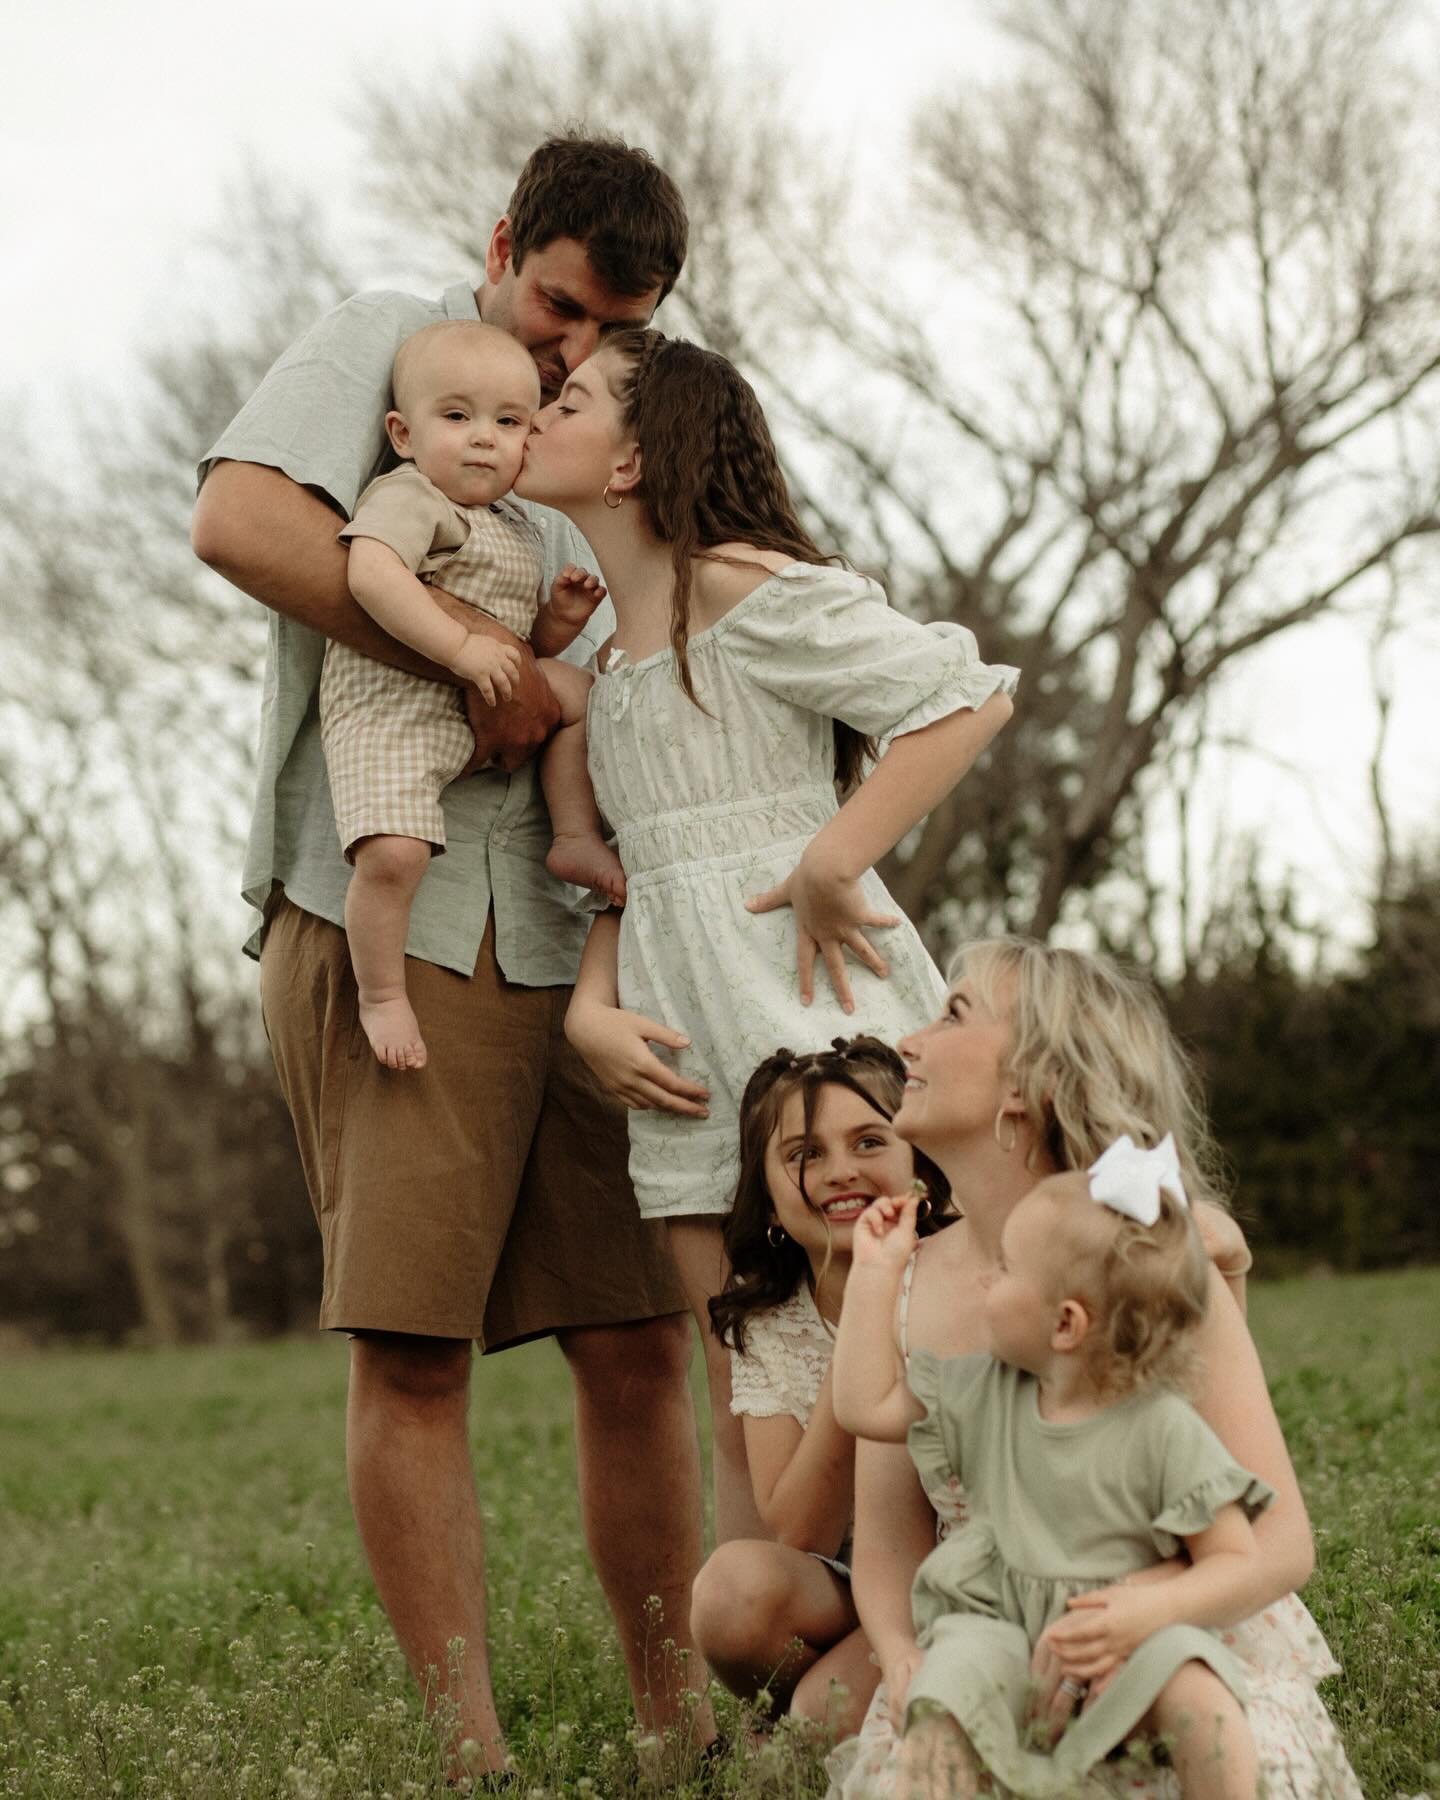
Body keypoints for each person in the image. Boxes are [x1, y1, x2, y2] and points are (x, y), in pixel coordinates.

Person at [190, 135, 714, 1778]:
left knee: (639, 1338)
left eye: (611, 327)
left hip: (587, 924)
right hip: (390, 907)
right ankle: (470, 1759)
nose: (570, 351)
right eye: (556, 306)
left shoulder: (628, 401)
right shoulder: (389, 340)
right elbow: (240, 523)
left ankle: (680, 1731)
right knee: (414, 1350)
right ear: (501, 246)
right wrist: (477, 659)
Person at [511, 329, 1019, 1540]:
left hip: (812, 1005)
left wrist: (836, 855)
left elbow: (967, 696)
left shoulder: (740, 588)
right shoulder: (608, 660)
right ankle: (771, 1622)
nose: (537, 413)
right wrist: (588, 1009)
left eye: (568, 401)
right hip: (681, 1044)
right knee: (743, 1369)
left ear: (632, 460)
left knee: (913, 1330)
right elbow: (635, 872)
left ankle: (978, 1599)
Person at [831, 938, 1363, 1799]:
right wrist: (900, 1656)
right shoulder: (904, 1279)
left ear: (1028, 1083)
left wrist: (1129, 1613)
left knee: (1210, 1730)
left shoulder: (1146, 1269)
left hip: (1168, 1624)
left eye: (953, 1014)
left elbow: (1279, 1542)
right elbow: (888, 1548)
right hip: (988, 1641)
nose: (909, 1042)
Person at [833, 1143, 1271, 1799]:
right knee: (939, 1699)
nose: (987, 1281)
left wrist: (1152, 1610)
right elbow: (863, 1405)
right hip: (995, 1629)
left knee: (1202, 1697)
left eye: (1006, 1269)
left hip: (1123, 1633)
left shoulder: (1165, 1427)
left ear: (1065, 1323)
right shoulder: (982, 1390)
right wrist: (873, 1272)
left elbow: (1236, 1559)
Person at [328, 318, 625, 1071]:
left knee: (579, 691)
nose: (484, 439)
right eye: (457, 417)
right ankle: (381, 994)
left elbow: (520, 653)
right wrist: (461, 649)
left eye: (509, 422)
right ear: (404, 434)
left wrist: (556, 622)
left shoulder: (519, 527)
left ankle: (572, 836)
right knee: (394, 855)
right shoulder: (411, 496)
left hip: (472, 720)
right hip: (391, 714)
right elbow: (371, 574)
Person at [690, 1038, 950, 1738]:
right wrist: (864, 1309)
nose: (841, 1172)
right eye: (805, 1154)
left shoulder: (957, 1275)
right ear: (771, 1205)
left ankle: (835, 1709)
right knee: (729, 1594)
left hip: (964, 1564)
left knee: (820, 1722)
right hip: (855, 1579)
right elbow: (801, 1530)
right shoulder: (769, 1322)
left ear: (920, 1167)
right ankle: (833, 1691)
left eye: (869, 1142)